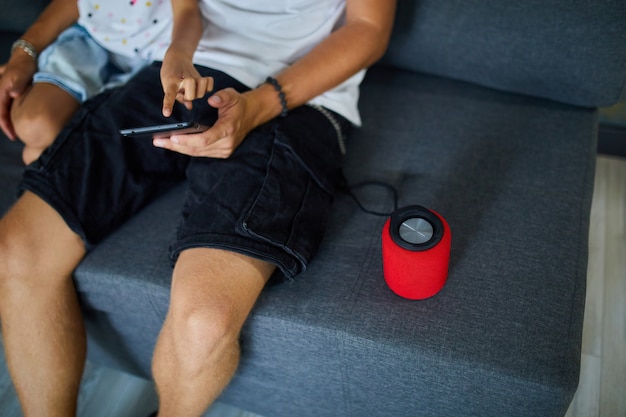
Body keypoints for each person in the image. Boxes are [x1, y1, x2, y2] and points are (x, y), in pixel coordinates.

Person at [0, 1, 397, 416]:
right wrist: (177, 54)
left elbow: (369, 29)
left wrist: (259, 105)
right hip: (189, 73)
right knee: (18, 249)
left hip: (301, 98)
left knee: (204, 320)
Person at [0, 0, 173, 164]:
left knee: (37, 156)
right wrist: (23, 55)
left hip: (163, 60)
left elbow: (188, 15)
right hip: (91, 37)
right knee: (34, 127)